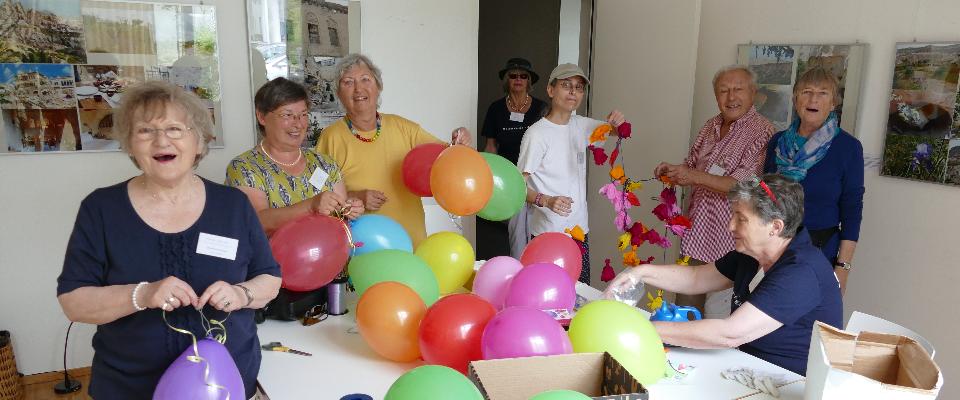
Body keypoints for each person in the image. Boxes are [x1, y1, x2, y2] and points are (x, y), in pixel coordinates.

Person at [56, 81, 282, 399]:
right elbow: (73, 301)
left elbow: (270, 279)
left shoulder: (233, 205)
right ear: (130, 144)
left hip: (225, 384)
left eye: (176, 128)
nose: (162, 140)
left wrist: (241, 294)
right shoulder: (101, 209)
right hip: (130, 387)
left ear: (199, 141)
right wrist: (143, 294)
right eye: (145, 131)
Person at [604, 174, 842, 375]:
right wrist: (640, 273)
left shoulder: (802, 272)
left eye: (741, 219)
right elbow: (696, 278)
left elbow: (730, 334)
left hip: (789, 383)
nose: (730, 226)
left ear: (775, 227)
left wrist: (640, 329)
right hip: (746, 365)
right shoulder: (752, 254)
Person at [654, 65, 775, 317]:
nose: (731, 97)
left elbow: (744, 185)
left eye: (738, 90)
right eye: (723, 91)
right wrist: (675, 172)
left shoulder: (763, 132)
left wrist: (693, 176)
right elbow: (692, 165)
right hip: (697, 235)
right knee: (685, 313)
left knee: (719, 319)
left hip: (732, 241)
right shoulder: (711, 125)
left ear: (753, 93)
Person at [315, 53, 471, 246]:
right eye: (348, 82)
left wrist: (461, 138)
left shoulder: (405, 128)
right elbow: (316, 195)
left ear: (378, 87)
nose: (358, 89)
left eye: (365, 79)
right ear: (338, 93)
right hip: (361, 248)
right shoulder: (330, 137)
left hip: (410, 241)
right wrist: (357, 196)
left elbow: (448, 158)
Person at [517, 63, 625, 284]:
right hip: (549, 234)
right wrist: (545, 200)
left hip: (578, 231)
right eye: (566, 85)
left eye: (579, 87)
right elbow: (517, 186)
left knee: (578, 295)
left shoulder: (580, 125)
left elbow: (613, 131)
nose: (573, 92)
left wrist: (616, 121)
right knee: (548, 296)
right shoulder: (537, 135)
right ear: (550, 90)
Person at [764, 68, 864, 295]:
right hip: (772, 248)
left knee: (808, 322)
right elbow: (764, 197)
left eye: (823, 93)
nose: (813, 99)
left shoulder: (848, 148)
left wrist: (843, 269)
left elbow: (852, 210)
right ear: (795, 99)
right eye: (806, 92)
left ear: (833, 103)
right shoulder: (777, 143)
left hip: (819, 252)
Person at [226, 77, 363, 235]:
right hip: (273, 260)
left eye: (303, 114)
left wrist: (350, 209)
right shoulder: (245, 167)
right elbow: (258, 221)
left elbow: (341, 221)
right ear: (262, 117)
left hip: (331, 257)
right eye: (287, 115)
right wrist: (311, 206)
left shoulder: (325, 163)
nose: (298, 124)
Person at [481, 57, 548, 259]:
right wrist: (487, 177)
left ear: (529, 81)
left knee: (542, 229)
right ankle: (520, 272)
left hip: (539, 177)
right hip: (511, 179)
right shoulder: (496, 109)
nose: (518, 79)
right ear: (506, 80)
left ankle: (541, 269)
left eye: (523, 76)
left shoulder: (542, 108)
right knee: (517, 234)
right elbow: (491, 146)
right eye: (513, 75)